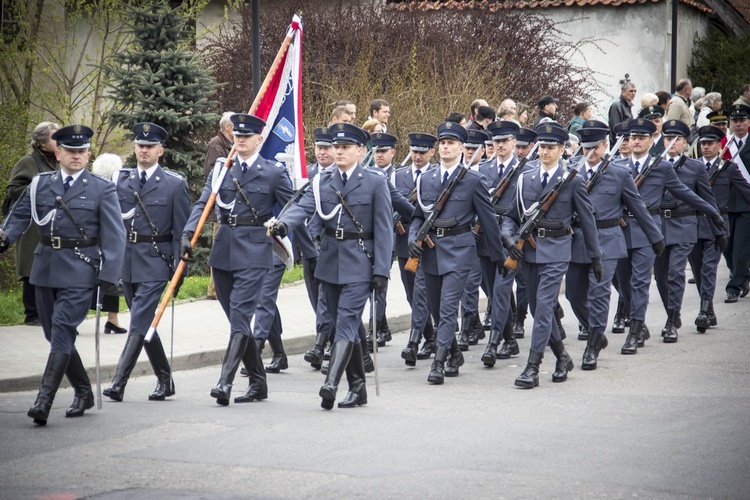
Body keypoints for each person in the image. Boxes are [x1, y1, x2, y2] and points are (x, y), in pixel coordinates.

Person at [0, 124, 125, 425]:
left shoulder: (101, 188)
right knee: (53, 333)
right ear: (58, 152)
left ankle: (43, 401)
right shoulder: (40, 184)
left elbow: (116, 235)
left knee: (63, 328)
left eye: (82, 151)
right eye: (70, 150)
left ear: (89, 154)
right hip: (44, 266)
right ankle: (83, 390)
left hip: (81, 268)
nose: (77, 156)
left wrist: (108, 276)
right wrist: (4, 238)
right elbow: (18, 217)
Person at [269, 122, 393, 409]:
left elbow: (384, 230)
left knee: (347, 323)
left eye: (346, 147)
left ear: (361, 151)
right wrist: (283, 224)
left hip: (361, 261)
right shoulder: (323, 180)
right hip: (330, 260)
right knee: (340, 323)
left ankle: (331, 383)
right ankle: (359, 388)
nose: (338, 151)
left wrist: (382, 271)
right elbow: (303, 207)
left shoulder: (375, 181)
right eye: (336, 146)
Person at [181, 113, 294, 406]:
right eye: (238, 136)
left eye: (247, 136)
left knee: (241, 318)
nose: (241, 140)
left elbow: (293, 205)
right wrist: (189, 232)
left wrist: (285, 226)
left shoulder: (273, 172)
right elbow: (204, 202)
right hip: (223, 252)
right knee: (237, 321)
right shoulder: (222, 169)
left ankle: (224, 382)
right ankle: (258, 382)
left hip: (255, 252)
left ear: (259, 139)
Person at [614, 118, 724, 355]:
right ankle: (640, 324)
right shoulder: (617, 167)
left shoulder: (660, 167)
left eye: (641, 137)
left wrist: (712, 213)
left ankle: (638, 330)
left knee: (642, 281)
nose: (635, 141)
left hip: (648, 230)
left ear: (650, 141)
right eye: (632, 137)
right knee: (624, 283)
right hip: (621, 232)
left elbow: (685, 193)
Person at [502, 122, 600, 388]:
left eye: (550, 148)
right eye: (542, 147)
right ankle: (562, 356)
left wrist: (595, 256)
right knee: (536, 309)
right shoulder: (526, 178)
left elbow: (588, 221)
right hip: (530, 251)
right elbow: (511, 216)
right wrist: (508, 237)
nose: (544, 152)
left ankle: (532, 367)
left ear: (561, 150)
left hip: (557, 250)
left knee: (545, 307)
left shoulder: (572, 180)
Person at [408, 122, 503, 384]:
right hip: (431, 252)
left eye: (451, 143)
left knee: (449, 308)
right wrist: (412, 238)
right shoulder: (426, 178)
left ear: (462, 148)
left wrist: (498, 258)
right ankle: (454, 353)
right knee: (436, 309)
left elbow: (488, 220)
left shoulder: (473, 180)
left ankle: (439, 363)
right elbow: (418, 216)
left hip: (460, 250)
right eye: (443, 143)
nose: (446, 147)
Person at [103, 123, 190, 402]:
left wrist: (180, 272)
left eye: (150, 146)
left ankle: (119, 382)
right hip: (127, 261)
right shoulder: (122, 180)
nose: (144, 150)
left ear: (160, 151)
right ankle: (165, 380)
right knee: (146, 322)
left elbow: (181, 233)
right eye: (140, 145)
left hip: (156, 260)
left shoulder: (174, 184)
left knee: (139, 321)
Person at [568, 121, 663, 370]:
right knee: (573, 293)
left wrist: (656, 238)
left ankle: (593, 343)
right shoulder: (571, 172)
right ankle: (595, 330)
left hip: (608, 238)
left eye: (595, 148)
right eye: (585, 148)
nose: (590, 153)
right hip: (578, 239)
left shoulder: (619, 174)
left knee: (599, 291)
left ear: (605, 145)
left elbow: (637, 207)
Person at [689, 125, 750, 330]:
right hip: (693, 224)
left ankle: (704, 310)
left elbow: (746, 191)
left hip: (717, 225)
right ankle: (709, 309)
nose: (705, 147)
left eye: (710, 144)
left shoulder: (728, 168)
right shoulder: (692, 166)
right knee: (697, 270)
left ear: (718, 145)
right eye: (703, 143)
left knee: (708, 268)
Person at [478, 120, 528, 367]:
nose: (499, 145)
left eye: (504, 141)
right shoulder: (482, 169)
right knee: (495, 291)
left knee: (500, 289)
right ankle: (510, 339)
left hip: (511, 239)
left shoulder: (525, 170)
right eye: (495, 141)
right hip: (486, 238)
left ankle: (493, 342)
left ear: (514, 143)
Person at [4, 121, 60, 326]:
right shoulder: (28, 162)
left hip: (55, 223)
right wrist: (37, 194)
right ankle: (32, 314)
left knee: (52, 267)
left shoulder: (60, 161)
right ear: (42, 142)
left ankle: (49, 312)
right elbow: (13, 189)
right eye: (54, 138)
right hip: (32, 223)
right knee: (30, 266)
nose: (58, 142)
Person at [397, 132, 439, 365]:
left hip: (432, 244)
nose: (417, 156)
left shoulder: (437, 175)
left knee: (424, 295)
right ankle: (430, 336)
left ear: (431, 152)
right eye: (414, 152)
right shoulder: (399, 176)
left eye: (422, 152)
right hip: (406, 243)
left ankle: (416, 341)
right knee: (412, 294)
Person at [89, 153, 127, 334]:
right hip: (100, 239)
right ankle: (111, 319)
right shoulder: (109, 188)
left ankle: (112, 319)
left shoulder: (96, 186)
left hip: (103, 238)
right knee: (109, 276)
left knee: (111, 277)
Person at [203, 112, 235, 300]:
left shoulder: (229, 145)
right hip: (219, 209)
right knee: (219, 247)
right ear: (227, 128)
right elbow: (213, 173)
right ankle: (214, 290)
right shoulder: (217, 145)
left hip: (229, 208)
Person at [724, 104, 750, 303]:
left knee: (740, 245)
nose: (738, 124)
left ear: (748, 123)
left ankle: (733, 287)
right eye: (735, 121)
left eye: (742, 121)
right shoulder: (725, 144)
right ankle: (743, 274)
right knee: (727, 246)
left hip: (746, 203)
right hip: (726, 202)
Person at [608, 75, 636, 141]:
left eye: (635, 91)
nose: (633, 93)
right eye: (631, 91)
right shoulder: (617, 106)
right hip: (619, 144)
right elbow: (616, 129)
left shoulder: (627, 106)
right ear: (623, 92)